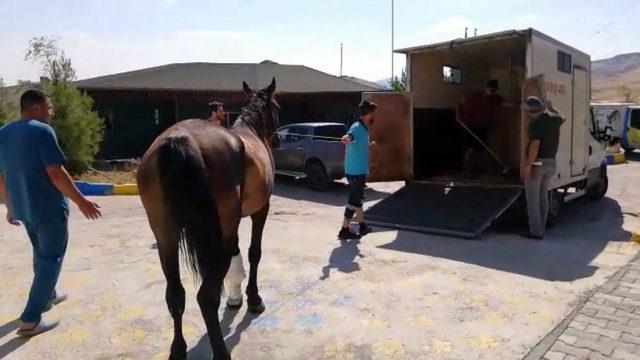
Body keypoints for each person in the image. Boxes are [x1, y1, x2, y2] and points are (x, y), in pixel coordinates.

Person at [0, 90, 102, 337]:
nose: (52, 112)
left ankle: (49, 294)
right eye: (49, 107)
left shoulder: (3, 132)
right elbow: (56, 172)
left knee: (40, 252)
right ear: (35, 108)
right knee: (51, 258)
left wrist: (9, 205)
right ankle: (31, 319)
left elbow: (1, 174)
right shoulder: (42, 131)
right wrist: (81, 201)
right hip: (47, 208)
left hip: (24, 207)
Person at [521, 96, 564, 240]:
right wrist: (551, 107)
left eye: (526, 110)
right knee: (543, 196)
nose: (525, 113)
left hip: (538, 164)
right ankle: (542, 228)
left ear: (531, 111)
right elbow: (562, 117)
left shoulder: (535, 124)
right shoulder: (553, 120)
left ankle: (535, 232)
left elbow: (534, 147)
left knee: (532, 199)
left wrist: (527, 166)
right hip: (551, 163)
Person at [337, 100, 377, 240]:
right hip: (355, 172)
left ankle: (362, 225)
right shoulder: (356, 128)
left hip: (358, 170)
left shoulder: (363, 128)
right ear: (367, 114)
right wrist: (346, 138)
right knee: (354, 201)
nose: (373, 116)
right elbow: (349, 137)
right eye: (372, 113)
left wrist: (369, 145)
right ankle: (344, 229)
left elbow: (357, 142)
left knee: (358, 199)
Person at [458, 79, 511, 175]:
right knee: (470, 150)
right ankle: (465, 171)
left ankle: (474, 170)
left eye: (492, 91)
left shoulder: (495, 99)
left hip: (484, 128)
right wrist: (458, 116)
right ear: (485, 87)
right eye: (489, 90)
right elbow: (461, 101)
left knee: (479, 150)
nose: (490, 93)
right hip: (470, 126)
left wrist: (521, 105)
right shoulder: (475, 95)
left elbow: (507, 103)